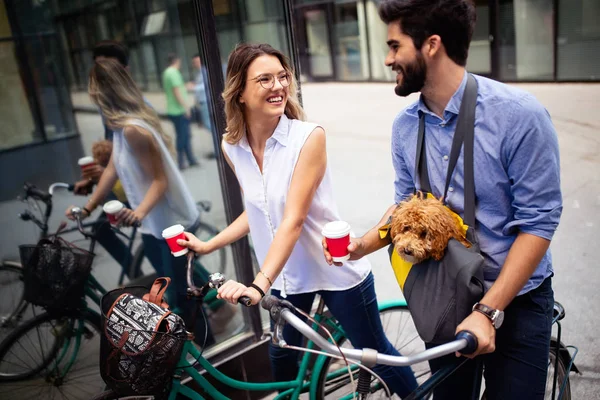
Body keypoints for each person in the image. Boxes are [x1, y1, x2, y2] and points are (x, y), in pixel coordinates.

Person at [323, 1, 562, 399]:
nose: (387, 59)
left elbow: (538, 223)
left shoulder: (519, 116)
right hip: (446, 298)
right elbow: (405, 205)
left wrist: (488, 312)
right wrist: (361, 246)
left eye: (395, 46)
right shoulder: (405, 126)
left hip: (516, 301)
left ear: (431, 45)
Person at [177, 43, 418, 398]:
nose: (278, 86)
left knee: (376, 357)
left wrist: (258, 285)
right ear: (240, 92)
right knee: (282, 360)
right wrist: (209, 244)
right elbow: (258, 209)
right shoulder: (233, 147)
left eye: (282, 77)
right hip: (288, 279)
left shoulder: (307, 138)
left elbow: (292, 219)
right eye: (264, 79)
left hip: (335, 270)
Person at [65, 58, 212, 344]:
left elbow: (160, 180)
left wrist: (138, 211)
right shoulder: (121, 128)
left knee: (181, 294)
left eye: (94, 94)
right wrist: (88, 206)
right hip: (154, 226)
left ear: (104, 94)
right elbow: (112, 169)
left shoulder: (133, 129)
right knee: (176, 286)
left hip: (172, 225)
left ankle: (210, 350)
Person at [163, 53, 198, 170]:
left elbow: (177, 87)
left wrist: (185, 86)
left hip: (173, 109)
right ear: (177, 61)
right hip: (178, 110)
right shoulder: (173, 73)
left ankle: (191, 159)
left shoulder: (167, 72)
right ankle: (181, 162)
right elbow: (177, 92)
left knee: (185, 135)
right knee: (183, 136)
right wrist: (186, 108)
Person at [189, 54, 212, 132]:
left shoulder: (204, 71)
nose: (196, 64)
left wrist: (193, 87)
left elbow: (206, 85)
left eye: (197, 61)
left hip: (206, 101)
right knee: (207, 122)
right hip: (202, 101)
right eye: (194, 62)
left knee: (207, 123)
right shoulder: (199, 72)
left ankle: (220, 139)